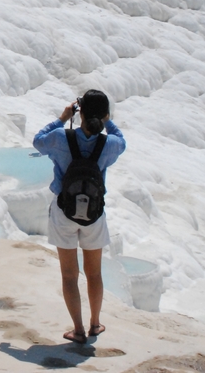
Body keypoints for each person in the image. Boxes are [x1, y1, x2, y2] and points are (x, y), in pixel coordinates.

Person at [33, 90, 126, 345]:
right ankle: (96, 323)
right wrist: (107, 122)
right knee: (94, 273)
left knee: (69, 274)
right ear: (105, 115)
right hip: (94, 215)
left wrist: (62, 118)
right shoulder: (109, 145)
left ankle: (78, 329)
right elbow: (122, 140)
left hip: (64, 212)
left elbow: (37, 140)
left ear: (80, 112)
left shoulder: (60, 138)